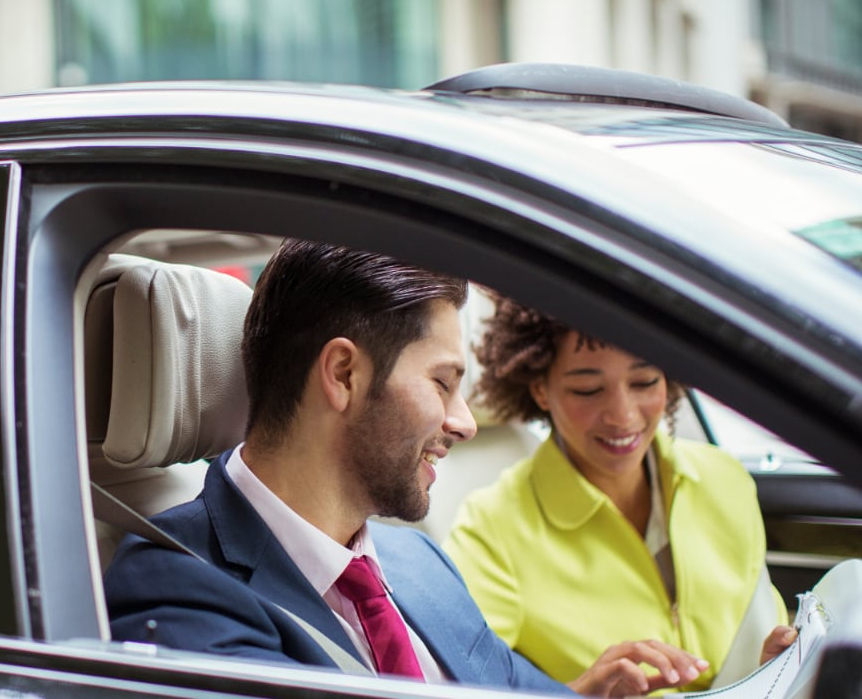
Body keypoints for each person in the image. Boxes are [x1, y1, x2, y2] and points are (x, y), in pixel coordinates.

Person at [104, 240, 710, 696]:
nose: (465, 423)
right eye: (443, 384)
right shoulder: (175, 588)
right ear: (344, 375)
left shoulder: (419, 563)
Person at [443, 293, 797, 693]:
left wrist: (772, 666)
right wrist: (578, 694)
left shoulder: (724, 478)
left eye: (645, 381)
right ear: (541, 389)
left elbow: (756, 631)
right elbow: (464, 691)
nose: (623, 416)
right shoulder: (492, 529)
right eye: (588, 390)